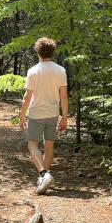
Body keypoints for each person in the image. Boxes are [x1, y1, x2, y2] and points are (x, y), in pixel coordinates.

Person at [19, 37, 68, 194]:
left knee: (32, 144)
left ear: (38, 51)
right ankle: (44, 178)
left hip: (36, 114)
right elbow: (64, 96)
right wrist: (65, 117)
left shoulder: (33, 71)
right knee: (49, 145)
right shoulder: (60, 70)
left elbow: (27, 97)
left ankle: (43, 175)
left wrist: (21, 115)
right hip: (52, 114)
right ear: (52, 52)